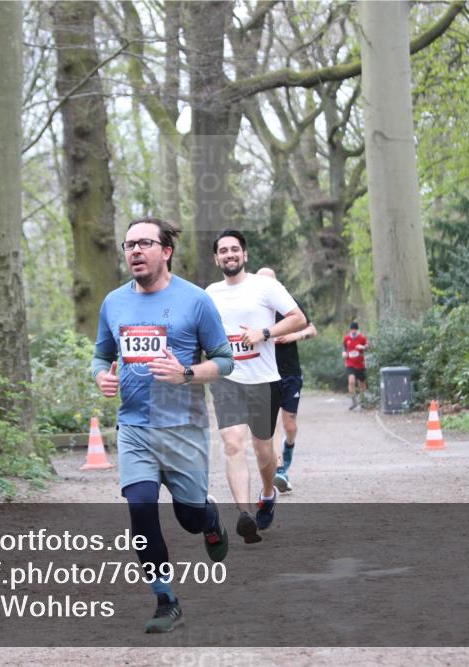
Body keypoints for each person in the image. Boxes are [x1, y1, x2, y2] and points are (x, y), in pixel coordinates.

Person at [92, 217, 235, 634]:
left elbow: (225, 361)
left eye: (144, 243)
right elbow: (101, 354)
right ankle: (166, 599)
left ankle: (210, 520)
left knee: (189, 516)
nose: (135, 251)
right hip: (134, 427)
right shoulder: (113, 303)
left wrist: (187, 374)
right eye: (129, 244)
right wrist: (100, 375)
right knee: (139, 508)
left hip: (182, 428)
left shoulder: (195, 301)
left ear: (165, 251)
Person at [206, 230, 306, 544]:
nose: (229, 254)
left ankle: (267, 493)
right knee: (233, 443)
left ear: (245, 255)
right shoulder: (209, 294)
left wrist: (264, 332)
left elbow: (298, 318)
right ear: (216, 258)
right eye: (223, 250)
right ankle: (244, 514)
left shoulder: (266, 286)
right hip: (228, 380)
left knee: (264, 451)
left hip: (264, 380)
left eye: (235, 249)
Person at [255, 267, 317, 494]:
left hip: (290, 372)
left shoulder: (289, 304)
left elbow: (312, 329)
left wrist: (294, 335)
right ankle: (280, 469)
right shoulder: (252, 308)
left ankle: (288, 450)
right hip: (265, 373)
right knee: (271, 426)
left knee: (289, 425)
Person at [343, 321, 368, 410]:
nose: (353, 331)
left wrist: (363, 347)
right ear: (350, 330)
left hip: (360, 364)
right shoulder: (346, 338)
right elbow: (344, 348)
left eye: (355, 329)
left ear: (357, 330)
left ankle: (363, 401)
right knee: (351, 381)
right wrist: (344, 353)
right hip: (350, 363)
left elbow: (369, 346)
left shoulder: (362, 338)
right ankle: (353, 401)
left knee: (362, 384)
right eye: (352, 329)